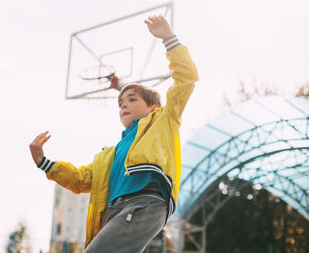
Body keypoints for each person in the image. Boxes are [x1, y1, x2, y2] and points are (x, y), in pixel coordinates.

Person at [29, 15, 199, 252]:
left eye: (131, 99)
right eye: (120, 102)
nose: (123, 105)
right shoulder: (110, 154)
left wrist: (168, 39)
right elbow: (80, 179)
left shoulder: (164, 119)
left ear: (153, 107)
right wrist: (43, 162)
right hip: (114, 211)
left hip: (143, 203)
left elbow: (186, 78)